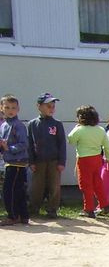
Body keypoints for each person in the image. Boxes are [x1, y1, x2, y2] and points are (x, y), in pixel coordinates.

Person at [67, 105, 109, 218]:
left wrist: (76, 127)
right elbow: (106, 146)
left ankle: (89, 208)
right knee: (98, 183)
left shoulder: (80, 129)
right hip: (97, 159)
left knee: (86, 185)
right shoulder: (100, 130)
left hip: (84, 160)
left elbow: (70, 139)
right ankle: (104, 204)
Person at [27, 92, 65, 219]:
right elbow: (29, 144)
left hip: (54, 161)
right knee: (37, 186)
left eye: (53, 106)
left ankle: (52, 209)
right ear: (39, 106)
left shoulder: (57, 124)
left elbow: (62, 144)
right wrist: (31, 161)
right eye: (48, 106)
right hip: (38, 161)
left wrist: (61, 162)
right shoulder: (32, 124)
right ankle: (34, 208)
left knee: (54, 186)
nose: (51, 108)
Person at [0, 95, 30, 226]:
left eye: (13, 108)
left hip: (17, 162)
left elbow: (24, 144)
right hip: (10, 162)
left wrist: (9, 148)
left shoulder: (18, 125)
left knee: (9, 190)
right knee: (18, 190)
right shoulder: (4, 125)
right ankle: (23, 216)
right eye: (7, 107)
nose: (10, 110)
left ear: (18, 109)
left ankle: (12, 216)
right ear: (2, 108)